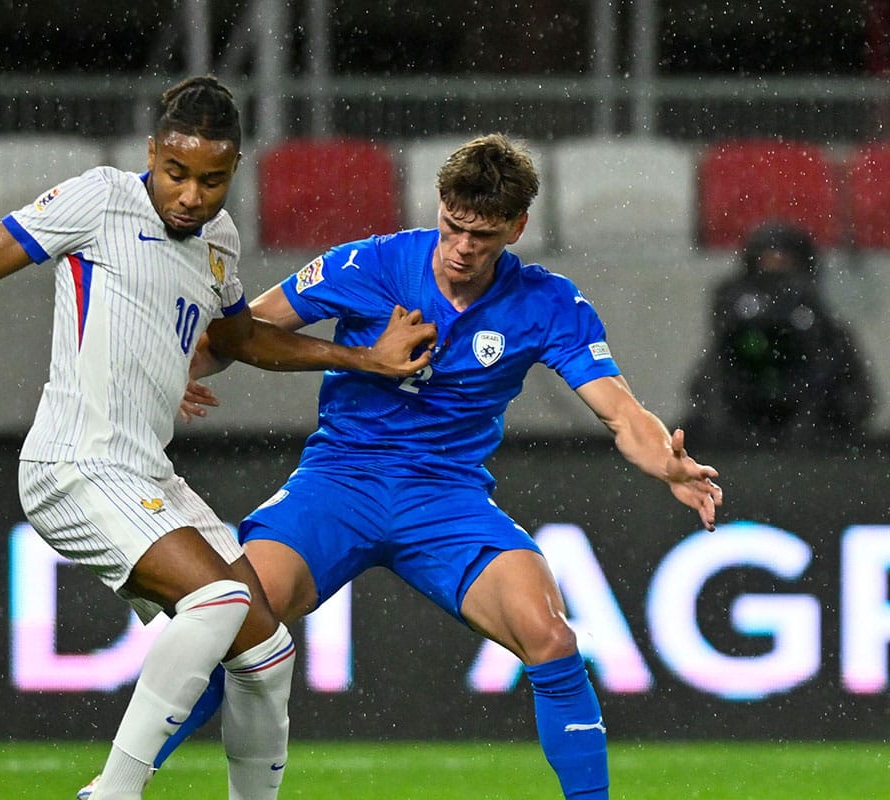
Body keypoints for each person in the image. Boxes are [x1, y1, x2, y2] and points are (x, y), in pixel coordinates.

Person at [0, 75, 436, 800]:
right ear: (153, 152)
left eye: (212, 180)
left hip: (145, 472)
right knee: (220, 603)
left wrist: (363, 359)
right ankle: (114, 793)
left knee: (266, 648)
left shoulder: (218, 242)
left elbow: (242, 336)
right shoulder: (100, 198)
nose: (192, 195)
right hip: (74, 463)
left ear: (234, 171)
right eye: (177, 173)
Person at [139, 133, 724, 800]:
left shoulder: (548, 302)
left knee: (553, 639)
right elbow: (245, 330)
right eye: (454, 226)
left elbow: (619, 410)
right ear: (440, 206)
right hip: (339, 483)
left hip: (446, 499)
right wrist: (181, 363)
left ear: (517, 228)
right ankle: (119, 785)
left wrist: (667, 465)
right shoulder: (372, 262)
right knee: (225, 624)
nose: (463, 247)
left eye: (485, 234)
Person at [685, 220, 874, 446]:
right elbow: (711, 387)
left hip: (813, 437)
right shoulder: (734, 321)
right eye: (767, 265)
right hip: (740, 424)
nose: (776, 282)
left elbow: (855, 395)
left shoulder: (825, 330)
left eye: (784, 264)